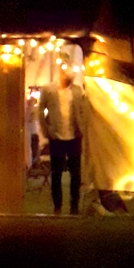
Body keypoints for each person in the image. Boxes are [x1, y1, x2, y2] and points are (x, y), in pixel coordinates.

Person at [39, 66, 88, 215]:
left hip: (74, 136)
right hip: (56, 137)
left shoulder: (77, 90)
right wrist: (46, 130)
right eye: (67, 78)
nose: (69, 81)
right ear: (61, 75)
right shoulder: (48, 89)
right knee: (56, 173)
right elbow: (40, 110)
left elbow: (82, 110)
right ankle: (57, 206)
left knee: (76, 174)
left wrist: (83, 128)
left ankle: (74, 206)